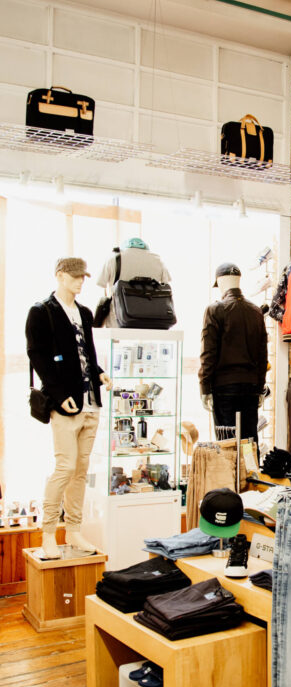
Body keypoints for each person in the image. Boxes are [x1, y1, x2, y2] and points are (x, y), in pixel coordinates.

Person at [25, 257, 112, 559]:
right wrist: (59, 394)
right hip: (65, 404)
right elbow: (38, 357)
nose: (79, 282)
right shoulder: (41, 312)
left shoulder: (85, 313)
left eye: (83, 277)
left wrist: (99, 372)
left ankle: (73, 531)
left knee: (81, 471)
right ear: (60, 275)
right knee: (65, 467)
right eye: (74, 277)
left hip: (90, 401)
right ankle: (48, 532)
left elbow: (86, 351)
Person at [199, 262, 268, 451]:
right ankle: (251, 479)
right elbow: (263, 356)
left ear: (220, 282)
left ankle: (230, 481)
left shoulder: (215, 310)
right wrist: (260, 386)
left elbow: (208, 354)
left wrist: (204, 387)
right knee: (249, 444)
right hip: (251, 388)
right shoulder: (256, 312)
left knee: (228, 443)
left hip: (225, 388)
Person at [96, 238, 172, 327]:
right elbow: (165, 284)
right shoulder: (158, 260)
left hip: (118, 320)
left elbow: (101, 284)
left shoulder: (114, 258)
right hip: (153, 320)